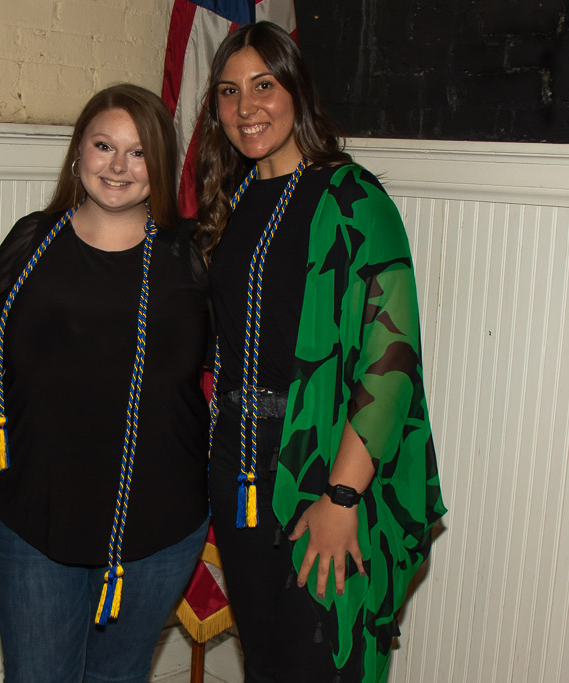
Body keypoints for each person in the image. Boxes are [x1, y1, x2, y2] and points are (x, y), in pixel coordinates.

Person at [196, 21, 447, 683]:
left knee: (323, 659)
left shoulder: (355, 200)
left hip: (324, 467)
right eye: (228, 91)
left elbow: (388, 363)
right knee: (268, 662)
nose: (245, 107)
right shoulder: (230, 199)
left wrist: (341, 496)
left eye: (263, 85)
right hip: (238, 468)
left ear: (297, 91)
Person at [0, 84, 209, 683]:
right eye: (104, 146)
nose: (119, 167)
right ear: (78, 154)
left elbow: (246, 362)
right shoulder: (32, 242)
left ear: (160, 163)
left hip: (158, 523)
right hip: (34, 517)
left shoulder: (193, 257)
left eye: (138, 152)